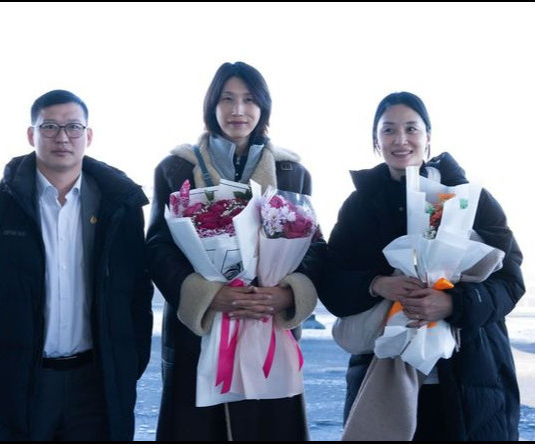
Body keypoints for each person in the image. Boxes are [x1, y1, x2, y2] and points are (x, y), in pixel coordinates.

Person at [0, 89, 154, 441]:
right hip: (22, 382)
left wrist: (129, 361)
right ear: (32, 134)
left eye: (73, 127)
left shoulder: (120, 207)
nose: (62, 137)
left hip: (97, 381)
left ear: (88, 135)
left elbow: (137, 288)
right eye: (50, 127)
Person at [319, 91, 525, 440]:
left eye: (411, 128)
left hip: (470, 374)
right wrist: (376, 284)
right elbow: (332, 280)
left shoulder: (468, 197)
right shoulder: (359, 205)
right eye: (388, 130)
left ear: (428, 136)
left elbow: (509, 281)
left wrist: (453, 303)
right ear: (376, 140)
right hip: (382, 374)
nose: (400, 139)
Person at [147, 61, 325, 441]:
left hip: (267, 323)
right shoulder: (175, 168)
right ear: (212, 105)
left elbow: (313, 245)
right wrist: (208, 295)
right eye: (227, 99)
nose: (238, 110)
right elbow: (159, 246)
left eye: (249, 100)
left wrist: (286, 294)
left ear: (263, 108)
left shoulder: (292, 172)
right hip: (201, 331)